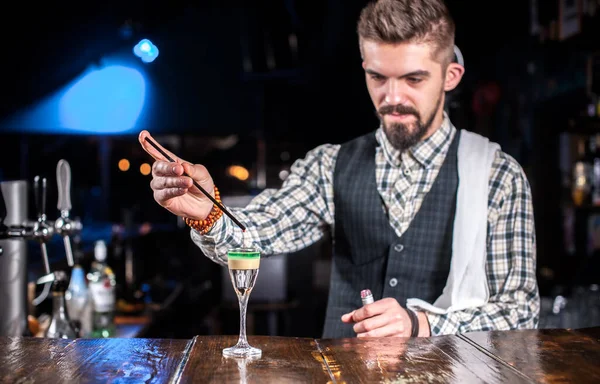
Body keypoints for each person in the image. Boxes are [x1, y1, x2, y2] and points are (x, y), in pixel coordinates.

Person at [139, 0, 540, 339]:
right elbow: (258, 234)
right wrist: (208, 214)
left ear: (450, 76)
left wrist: (423, 324)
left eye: (414, 78)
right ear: (365, 67)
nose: (393, 97)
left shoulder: (497, 176)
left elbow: (521, 315)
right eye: (378, 77)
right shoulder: (330, 165)